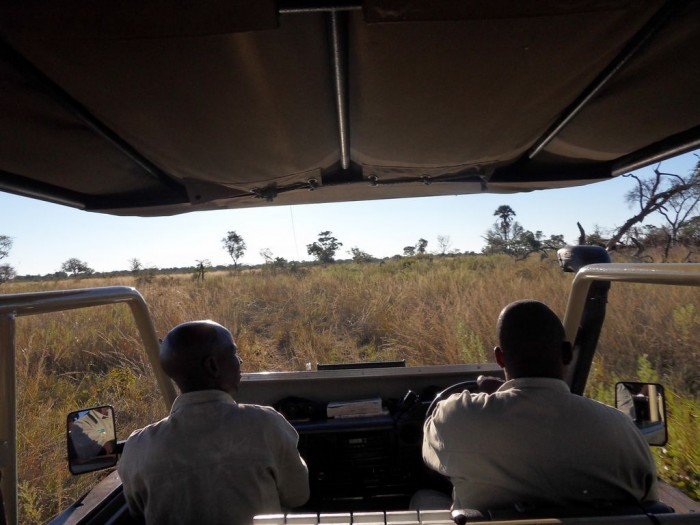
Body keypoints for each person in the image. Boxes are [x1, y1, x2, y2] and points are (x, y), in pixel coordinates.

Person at [421, 300, 658, 513]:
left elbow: (430, 454)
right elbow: (649, 502)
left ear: (500, 358)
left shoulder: (457, 417)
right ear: (567, 354)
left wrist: (496, 397)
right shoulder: (623, 430)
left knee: (423, 497)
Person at [118, 320, 310, 525]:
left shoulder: (137, 447)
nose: (240, 362)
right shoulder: (266, 424)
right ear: (212, 365)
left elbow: (137, 511)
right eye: (234, 354)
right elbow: (298, 496)